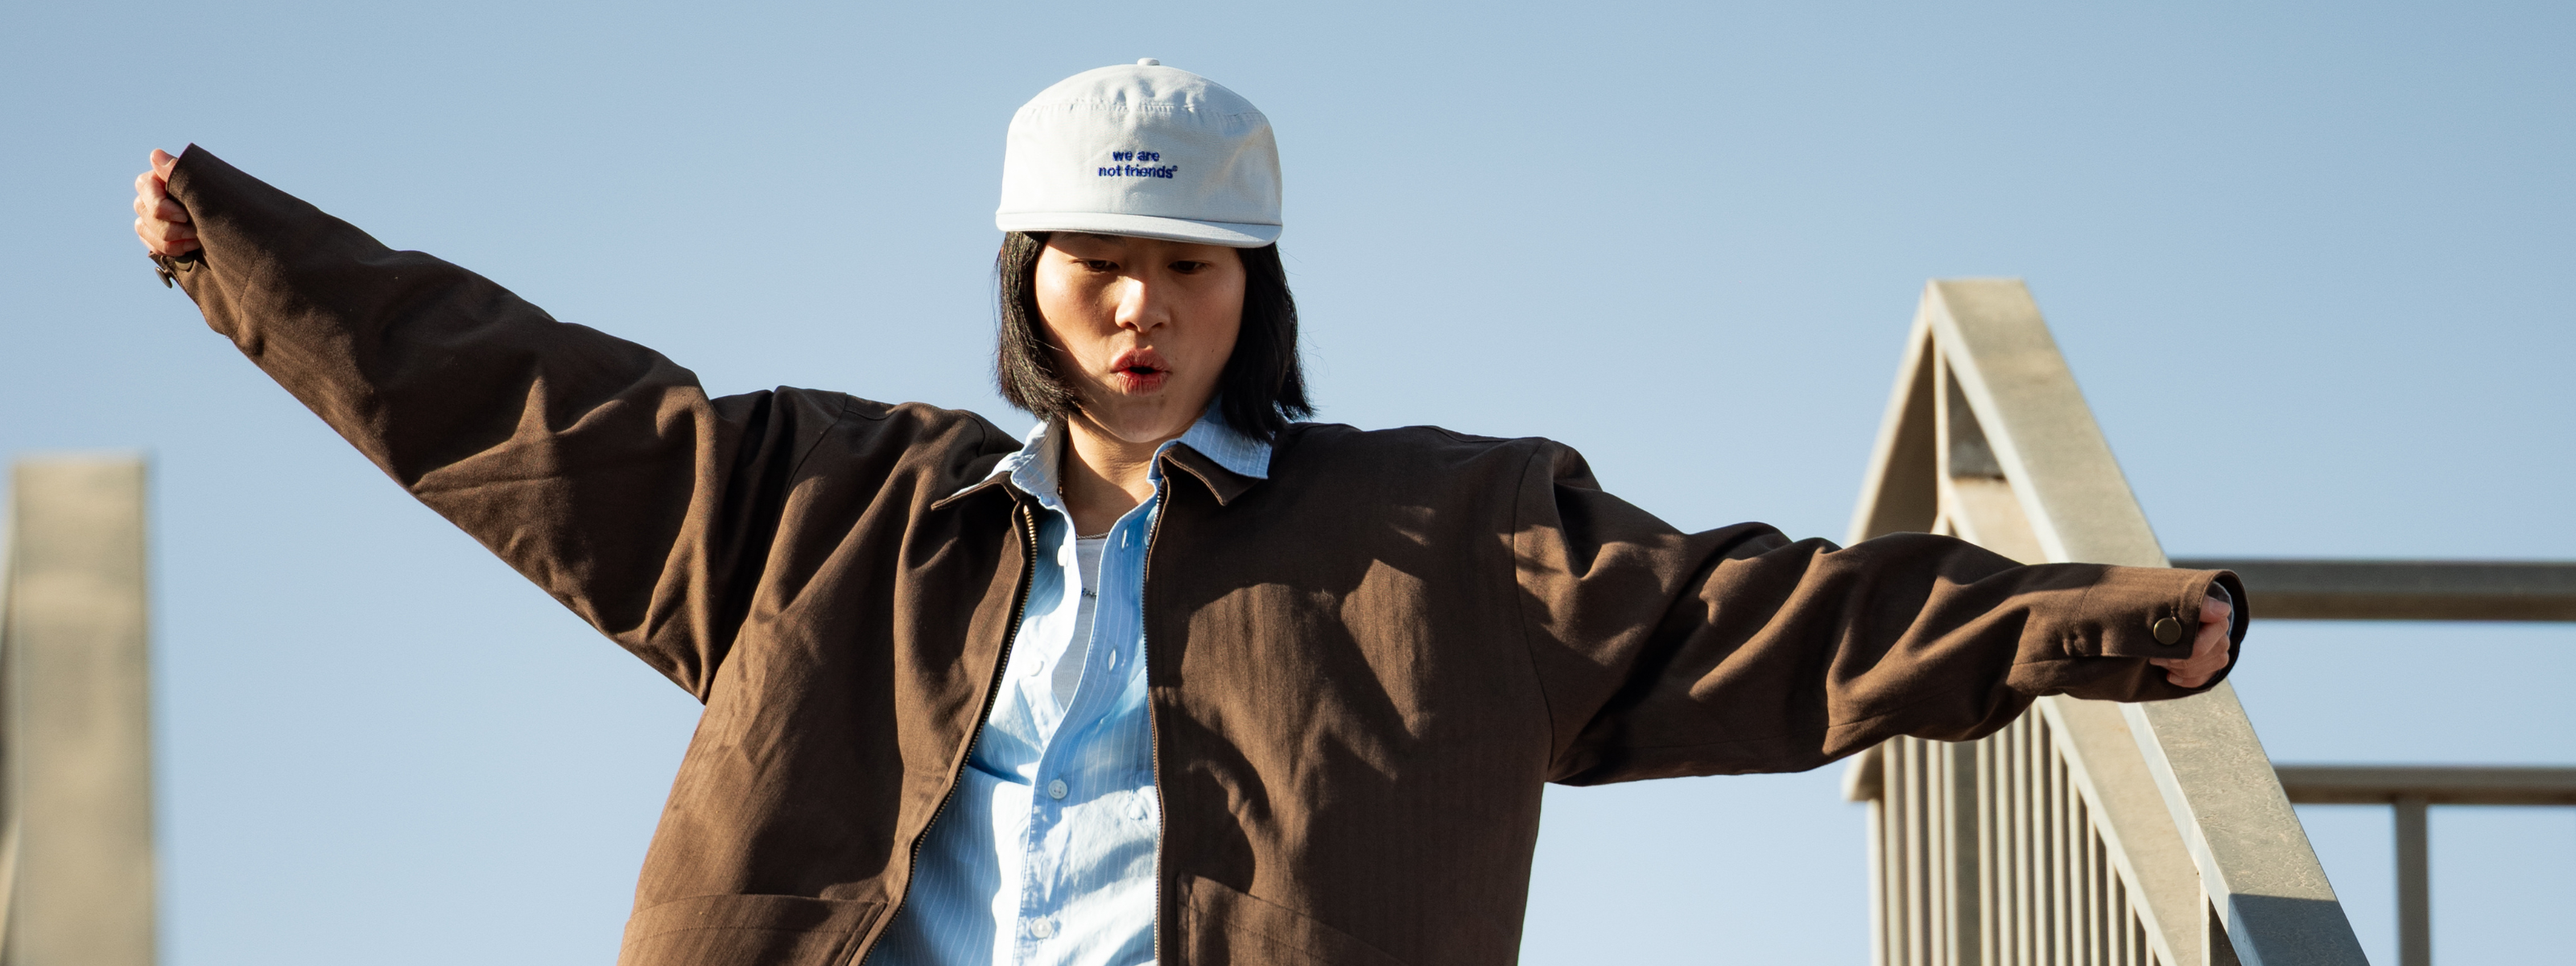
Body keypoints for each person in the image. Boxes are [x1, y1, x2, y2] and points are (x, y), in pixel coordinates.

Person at [131, 60, 2240, 966]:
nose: (1139, 311)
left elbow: (1753, 618)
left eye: (1189, 271)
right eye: (1095, 268)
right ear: (1027, 281)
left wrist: (2078, 623)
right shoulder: (825, 513)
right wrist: (254, 261)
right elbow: (533, 409)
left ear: (1256, 290)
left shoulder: (1446, 537)